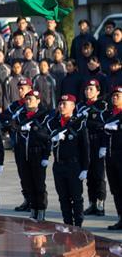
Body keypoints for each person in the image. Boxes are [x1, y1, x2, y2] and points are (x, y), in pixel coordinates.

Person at [46, 94, 89, 227]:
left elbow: (85, 147)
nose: (61, 106)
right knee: (63, 198)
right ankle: (67, 224)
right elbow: (43, 136)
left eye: (65, 104)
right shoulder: (53, 123)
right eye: (60, 104)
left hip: (73, 165)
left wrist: (85, 168)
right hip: (59, 166)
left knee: (76, 198)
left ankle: (78, 226)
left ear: (73, 107)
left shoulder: (79, 124)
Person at [9, 90, 51, 221]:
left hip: (37, 153)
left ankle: (41, 210)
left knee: (39, 184)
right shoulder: (20, 115)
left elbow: (47, 137)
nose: (28, 101)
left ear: (38, 101)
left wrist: (45, 156)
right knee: (28, 183)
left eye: (31, 99)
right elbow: (12, 127)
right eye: (27, 99)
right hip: (23, 153)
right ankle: (33, 209)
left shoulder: (43, 116)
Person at [0, 78, 33, 212]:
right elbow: (3, 117)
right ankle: (27, 199)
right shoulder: (15, 105)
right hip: (18, 143)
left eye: (23, 88)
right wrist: (9, 123)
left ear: (30, 89)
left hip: (31, 145)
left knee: (33, 174)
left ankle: (35, 201)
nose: (20, 91)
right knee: (23, 173)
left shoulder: (32, 104)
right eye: (19, 88)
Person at [80, 79, 109, 217]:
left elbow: (102, 125)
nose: (88, 91)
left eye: (91, 89)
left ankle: (100, 203)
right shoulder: (81, 106)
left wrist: (86, 121)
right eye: (86, 89)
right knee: (89, 175)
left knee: (98, 175)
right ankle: (91, 203)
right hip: (85, 144)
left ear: (98, 91)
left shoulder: (102, 105)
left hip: (97, 142)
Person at [102, 86, 122, 230]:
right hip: (110, 155)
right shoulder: (108, 114)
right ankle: (120, 218)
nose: (115, 98)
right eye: (113, 95)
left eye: (118, 96)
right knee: (115, 189)